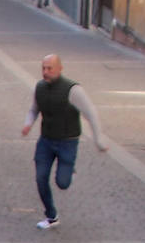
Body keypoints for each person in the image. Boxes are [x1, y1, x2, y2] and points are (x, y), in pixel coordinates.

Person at [20, 54, 108, 230]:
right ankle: (51, 216)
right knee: (40, 177)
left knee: (63, 183)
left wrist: (98, 139)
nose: (45, 72)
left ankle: (68, 169)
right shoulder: (40, 88)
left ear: (60, 68)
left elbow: (91, 113)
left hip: (67, 142)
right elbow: (34, 109)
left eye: (49, 68)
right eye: (43, 68)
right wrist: (28, 124)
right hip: (46, 141)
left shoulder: (73, 90)